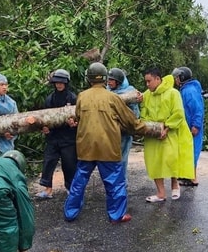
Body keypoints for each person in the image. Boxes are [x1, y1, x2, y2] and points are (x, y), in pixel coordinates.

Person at [64, 62, 154, 224]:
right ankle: (117, 215)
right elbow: (130, 122)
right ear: (105, 79)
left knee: (79, 181)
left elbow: (77, 117)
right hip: (108, 148)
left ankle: (70, 213)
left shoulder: (82, 97)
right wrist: (147, 130)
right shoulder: (113, 98)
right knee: (114, 183)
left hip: (86, 147)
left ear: (89, 79)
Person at [139, 67, 194, 203]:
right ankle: (160, 193)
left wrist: (167, 126)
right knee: (155, 162)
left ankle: (175, 185)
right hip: (153, 134)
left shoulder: (173, 93)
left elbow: (178, 113)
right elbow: (143, 114)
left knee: (171, 160)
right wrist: (152, 128)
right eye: (146, 82)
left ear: (158, 79)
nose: (147, 84)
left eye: (149, 81)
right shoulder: (146, 95)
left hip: (171, 132)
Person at [37, 69, 78, 199]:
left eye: (62, 82)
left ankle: (70, 188)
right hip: (53, 137)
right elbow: (44, 117)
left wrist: (74, 124)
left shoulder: (73, 98)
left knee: (69, 164)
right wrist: (45, 128)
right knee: (48, 162)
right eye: (56, 82)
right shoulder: (49, 99)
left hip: (68, 138)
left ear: (66, 83)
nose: (59, 85)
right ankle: (47, 189)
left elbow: (80, 118)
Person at [172, 66, 204, 187]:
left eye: (177, 78)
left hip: (192, 126)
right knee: (188, 151)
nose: (176, 80)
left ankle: (193, 178)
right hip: (188, 126)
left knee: (192, 151)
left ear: (182, 77)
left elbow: (198, 109)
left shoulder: (189, 91)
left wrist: (196, 125)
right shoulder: (187, 89)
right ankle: (188, 175)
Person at [106, 67, 140, 184]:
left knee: (122, 158)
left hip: (124, 132)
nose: (109, 82)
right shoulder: (106, 92)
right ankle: (112, 180)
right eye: (108, 79)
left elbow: (135, 114)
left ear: (118, 81)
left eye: (111, 80)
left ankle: (121, 181)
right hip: (110, 131)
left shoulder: (130, 92)